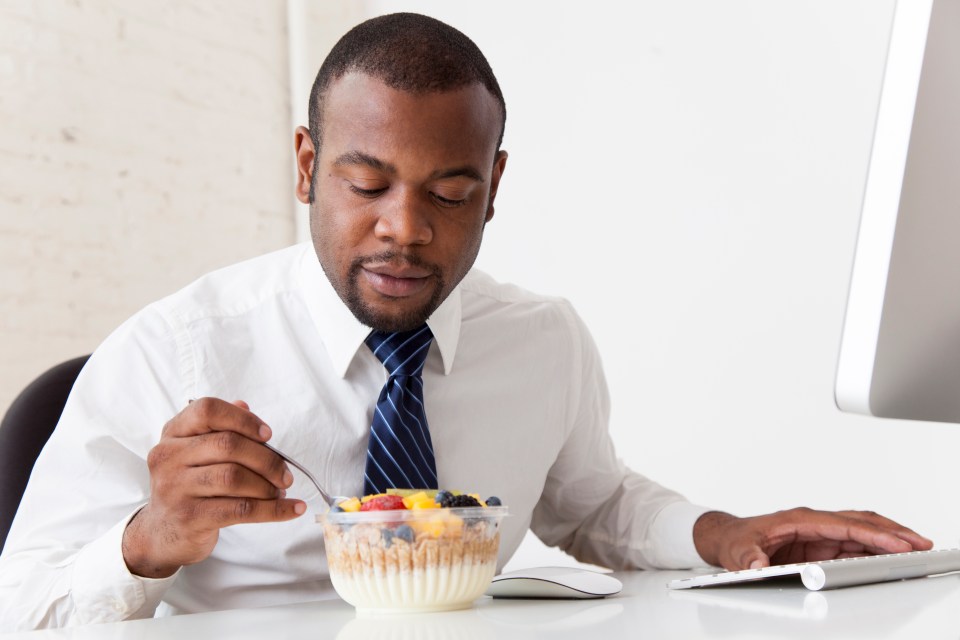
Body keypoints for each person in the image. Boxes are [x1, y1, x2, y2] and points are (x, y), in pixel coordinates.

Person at [0, 12, 931, 631]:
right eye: (365, 185)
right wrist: (146, 538)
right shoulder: (178, 350)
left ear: (494, 191)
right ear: (304, 168)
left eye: (449, 192)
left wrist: (727, 535)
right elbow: (18, 606)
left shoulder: (544, 342)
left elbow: (593, 502)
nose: (404, 230)